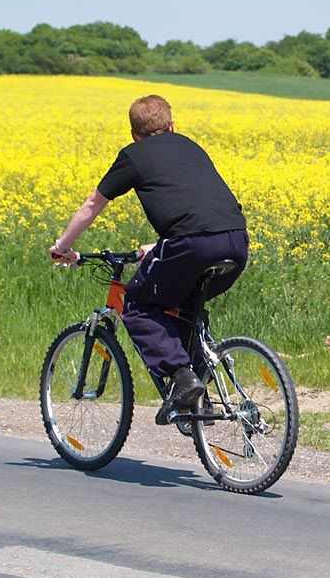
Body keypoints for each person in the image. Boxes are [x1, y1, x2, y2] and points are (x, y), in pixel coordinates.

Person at [49, 95, 248, 425]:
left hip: (191, 243)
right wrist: (160, 246)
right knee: (181, 308)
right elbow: (200, 206)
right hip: (236, 240)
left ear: (133, 134)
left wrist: (62, 245)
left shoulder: (134, 155)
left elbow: (92, 204)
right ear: (172, 125)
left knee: (138, 305)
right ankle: (200, 398)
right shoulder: (190, 146)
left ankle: (184, 380)